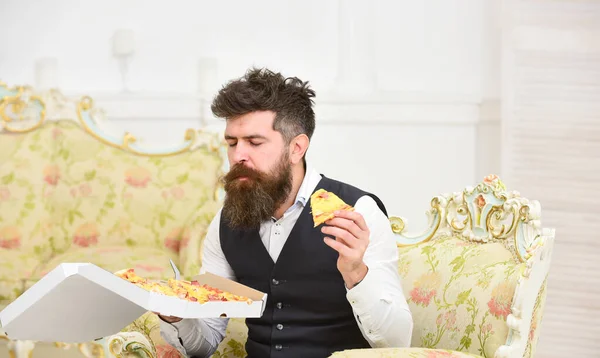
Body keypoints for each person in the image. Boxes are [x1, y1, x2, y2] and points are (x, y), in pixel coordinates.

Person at [158, 67, 413, 358]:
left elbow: (398, 342)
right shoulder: (226, 221)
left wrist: (357, 274)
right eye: (231, 143)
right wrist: (177, 315)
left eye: (254, 142)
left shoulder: (359, 213)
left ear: (296, 148)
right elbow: (205, 341)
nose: (238, 155)